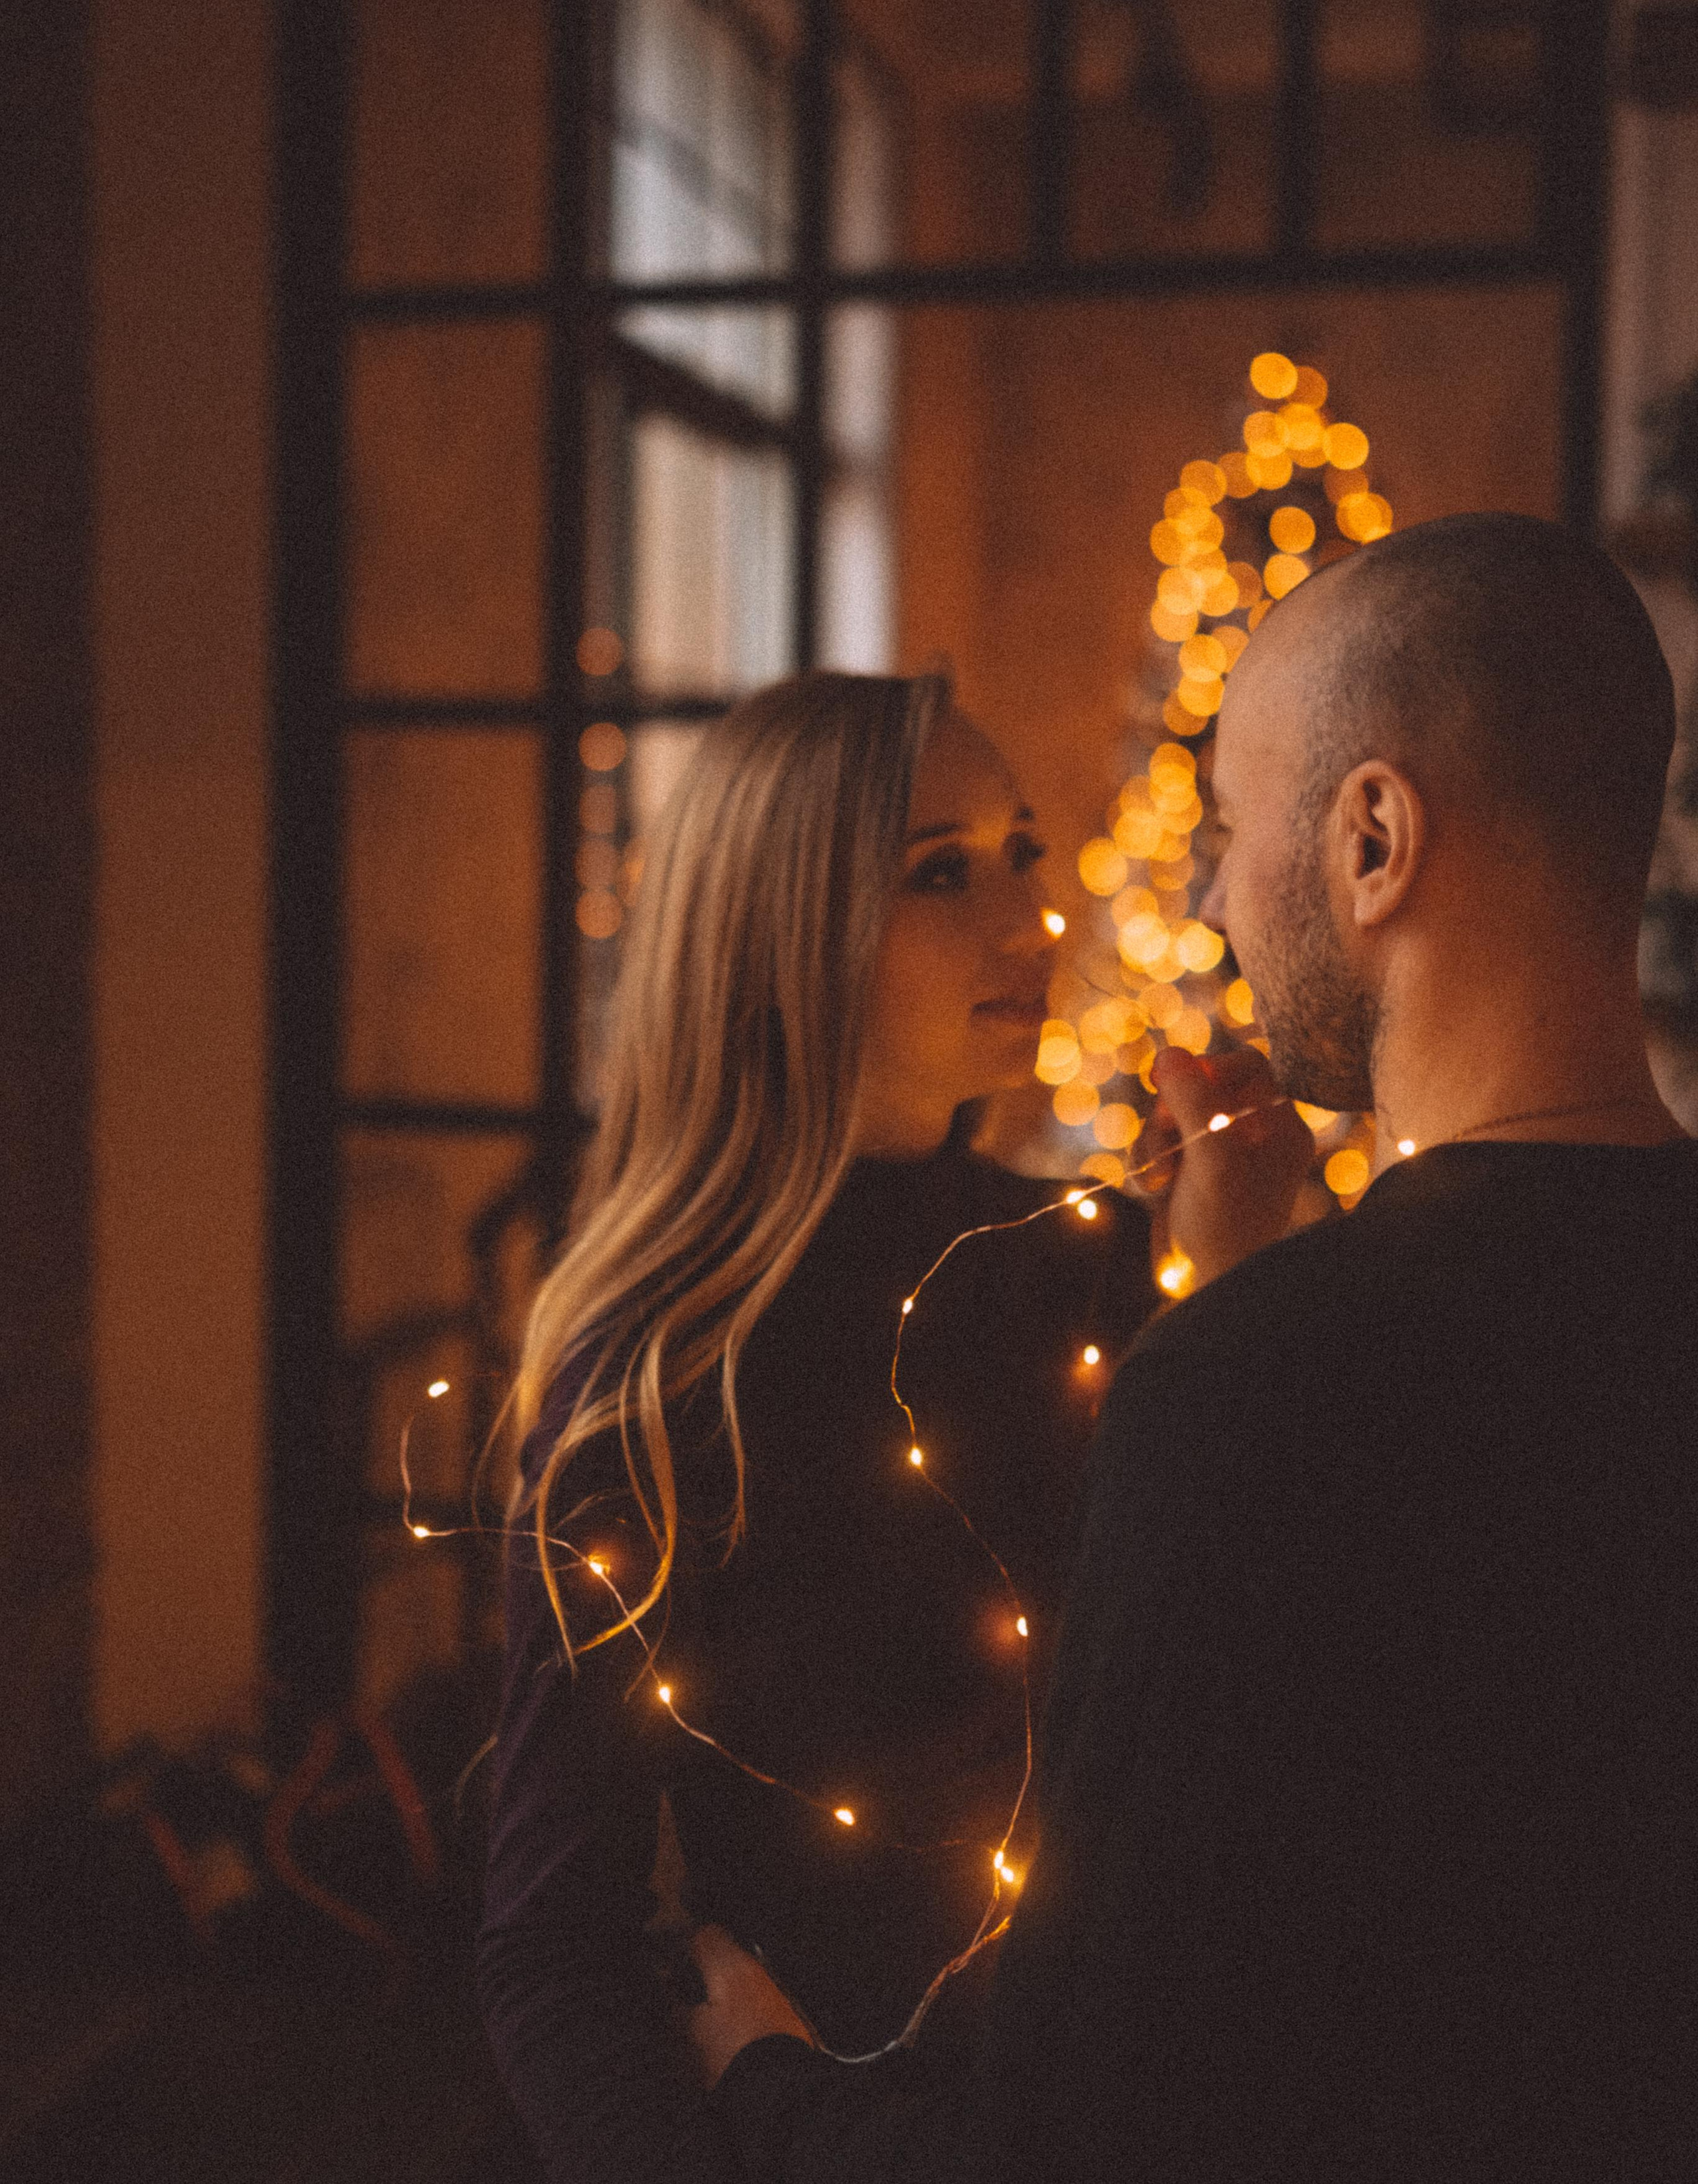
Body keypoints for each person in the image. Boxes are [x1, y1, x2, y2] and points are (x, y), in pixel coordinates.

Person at [694, 512, 1698, 2183]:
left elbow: (1091, 2117)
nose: (1214, 893)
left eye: (1231, 822)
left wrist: (774, 2095)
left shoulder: (1251, 1392)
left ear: (1371, 839)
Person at [476, 669, 1309, 2184]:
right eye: (941, 871)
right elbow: (555, 1951)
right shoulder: (667, 1371)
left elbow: (1248, 1706)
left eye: (1021, 851)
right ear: (779, 934)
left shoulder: (1096, 1271)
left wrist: (1246, 1292)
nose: (1030, 917)